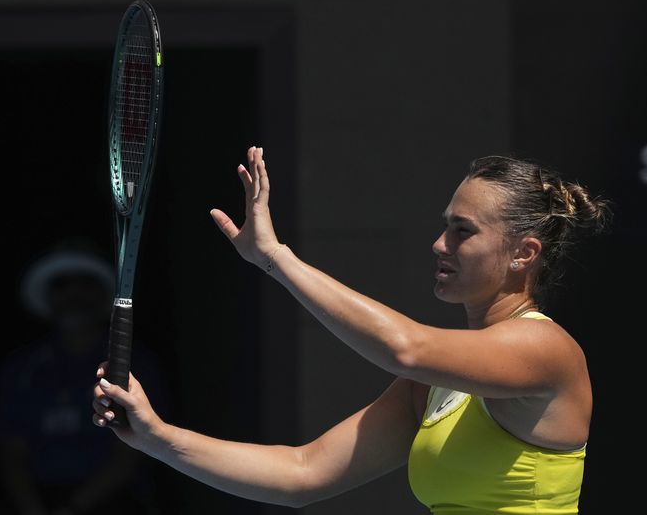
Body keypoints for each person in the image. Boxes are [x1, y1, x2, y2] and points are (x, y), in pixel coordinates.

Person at [93, 147, 611, 513]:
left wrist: (276, 259)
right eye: (443, 225)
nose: (439, 244)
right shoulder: (434, 386)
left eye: (463, 231)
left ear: (524, 254)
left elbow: (404, 348)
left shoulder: (545, 349)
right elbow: (303, 474)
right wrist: (157, 438)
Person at [0, 247, 165, 515]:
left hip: (115, 501)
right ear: (49, 296)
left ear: (102, 294)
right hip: (37, 499)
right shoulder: (20, 368)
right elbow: (12, 452)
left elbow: (133, 451)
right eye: (62, 285)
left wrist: (73, 508)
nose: (74, 295)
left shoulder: (135, 364)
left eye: (86, 284)